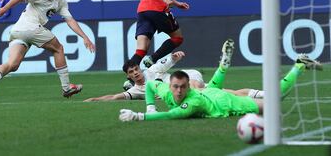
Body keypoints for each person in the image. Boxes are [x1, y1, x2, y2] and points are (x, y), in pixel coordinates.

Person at [0, 0, 96, 102]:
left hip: (17, 31)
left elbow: (70, 20)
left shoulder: (61, 2)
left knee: (13, 64)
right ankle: (66, 87)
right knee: (58, 49)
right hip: (31, 28)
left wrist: (84, 37)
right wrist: (3, 10)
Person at [119, 53, 323, 121]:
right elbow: (151, 86)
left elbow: (171, 116)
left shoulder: (192, 101)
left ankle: (299, 64)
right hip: (210, 92)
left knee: (275, 102)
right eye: (175, 87)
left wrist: (140, 116)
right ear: (170, 86)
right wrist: (150, 106)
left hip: (226, 104)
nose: (179, 91)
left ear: (187, 87)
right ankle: (222, 67)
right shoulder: (166, 89)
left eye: (182, 87)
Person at [84, 51, 205, 101]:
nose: (135, 72)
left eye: (136, 69)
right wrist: (94, 99)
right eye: (131, 72)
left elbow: (169, 61)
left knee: (194, 89)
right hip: (180, 91)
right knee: (209, 91)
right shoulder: (136, 90)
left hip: (187, 76)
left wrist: (175, 56)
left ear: (140, 69)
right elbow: (114, 97)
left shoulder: (152, 70)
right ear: (128, 77)